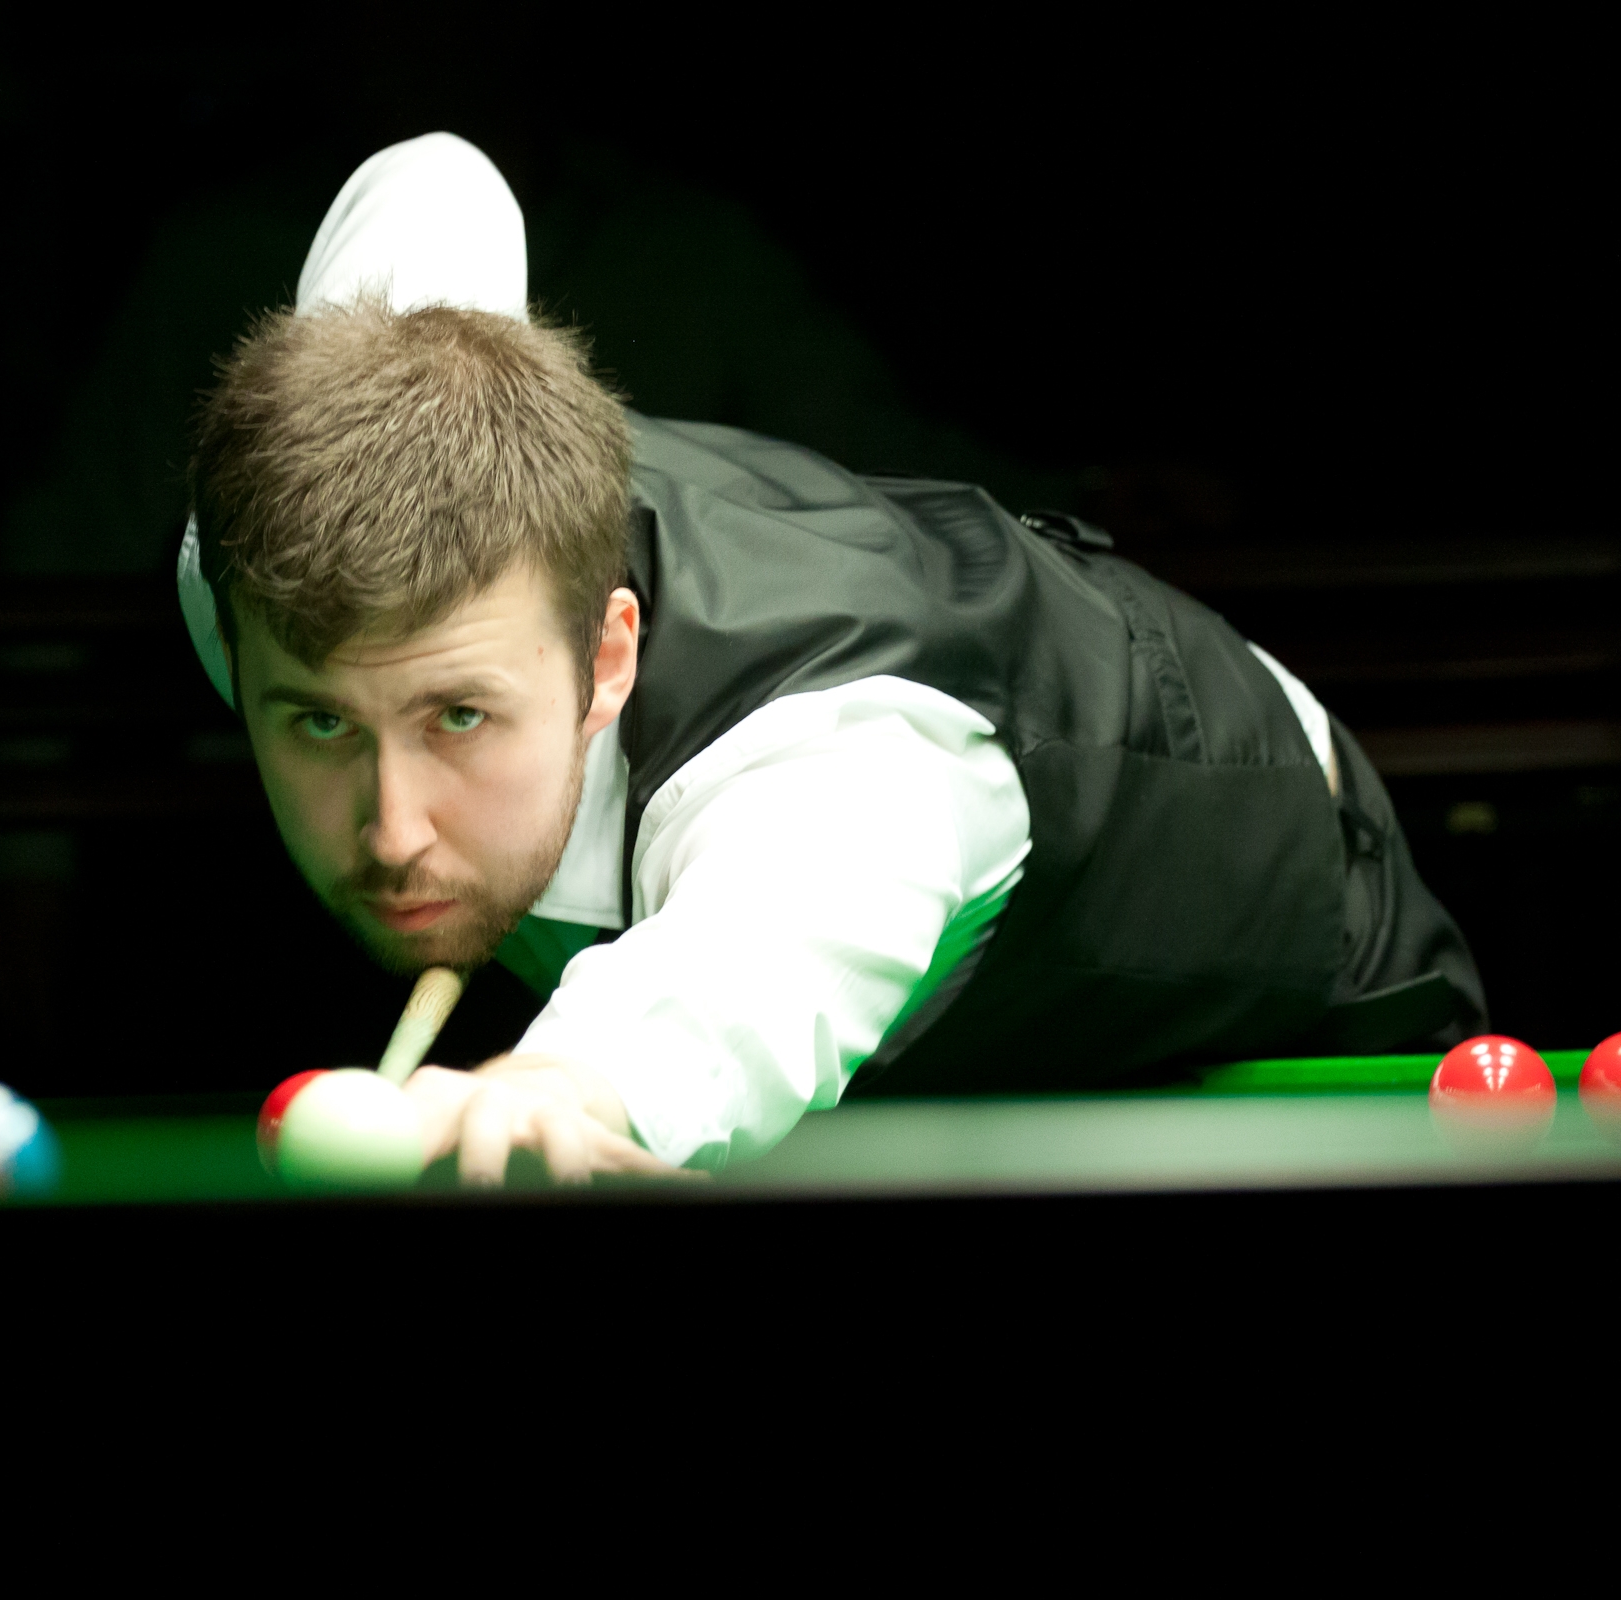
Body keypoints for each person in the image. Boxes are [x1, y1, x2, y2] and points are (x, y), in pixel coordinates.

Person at [179, 134, 1483, 1183]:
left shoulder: (844, 765)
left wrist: (568, 1087)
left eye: (460, 717)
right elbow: (435, 184)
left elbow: (751, 965)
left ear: (609, 655)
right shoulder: (257, 566)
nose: (392, 830)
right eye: (320, 725)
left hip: (1270, 896)